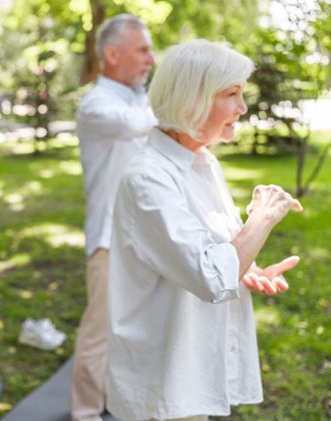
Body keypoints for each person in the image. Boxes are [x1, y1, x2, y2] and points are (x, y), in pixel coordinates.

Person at [106, 39, 303, 421]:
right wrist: (262, 217)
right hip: (161, 382)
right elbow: (212, 275)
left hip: (191, 370)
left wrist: (249, 271)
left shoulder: (202, 161)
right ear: (190, 98)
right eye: (231, 94)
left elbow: (212, 255)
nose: (242, 108)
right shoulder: (148, 178)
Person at [70, 14, 156, 421]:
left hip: (147, 235)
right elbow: (138, 126)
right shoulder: (96, 104)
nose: (150, 60)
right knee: (99, 331)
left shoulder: (141, 97)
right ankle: (86, 413)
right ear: (112, 54)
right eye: (142, 50)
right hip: (109, 237)